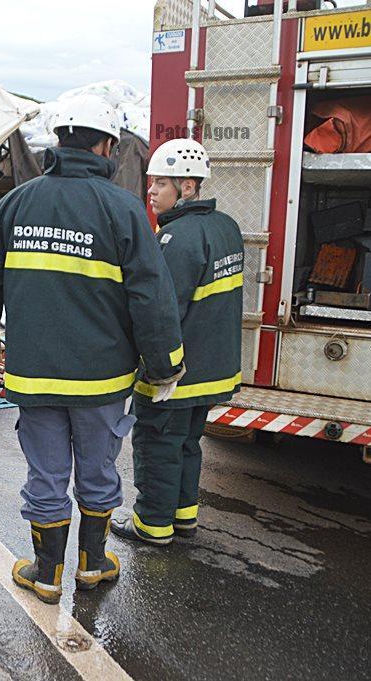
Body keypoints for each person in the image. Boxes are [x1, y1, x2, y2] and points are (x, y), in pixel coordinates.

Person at [0, 95, 185, 605]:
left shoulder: (15, 204)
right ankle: (92, 565)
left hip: (34, 376)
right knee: (98, 470)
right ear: (107, 144)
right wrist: (164, 365)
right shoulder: (125, 210)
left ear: (58, 140)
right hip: (101, 381)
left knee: (45, 475)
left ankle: (46, 574)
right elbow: (151, 297)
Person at [111, 139, 243, 546]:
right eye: (151, 183)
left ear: (187, 187)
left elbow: (159, 312)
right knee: (187, 444)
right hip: (213, 369)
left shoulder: (176, 239)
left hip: (177, 373)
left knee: (156, 446)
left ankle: (152, 524)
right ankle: (184, 518)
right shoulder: (226, 228)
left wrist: (147, 364)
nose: (150, 192)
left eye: (160, 184)